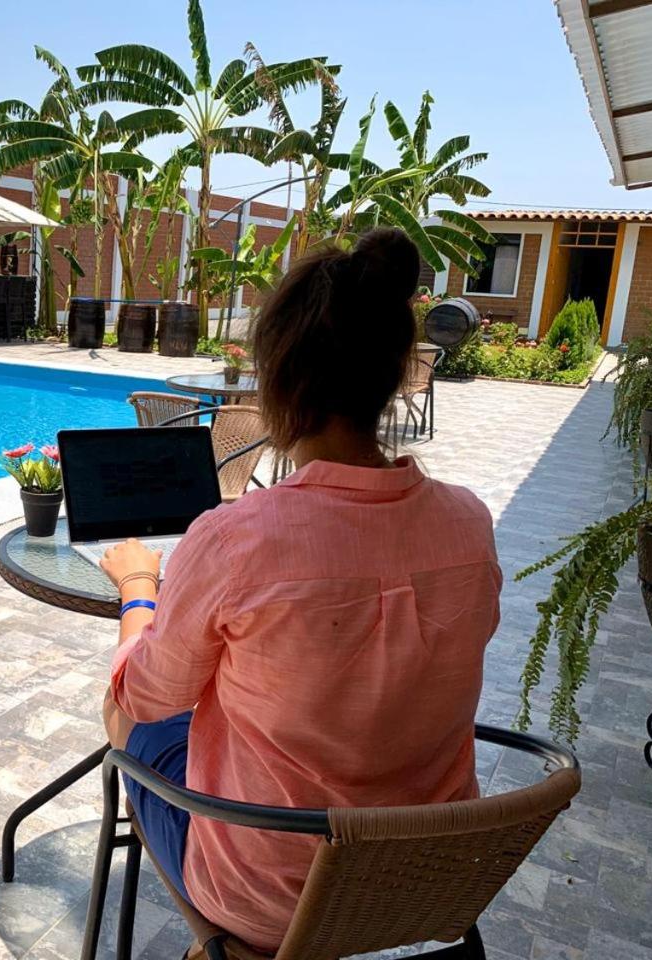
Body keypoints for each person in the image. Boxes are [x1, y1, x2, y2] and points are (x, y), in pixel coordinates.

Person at [99, 228, 502, 951]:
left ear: (277, 382)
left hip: (271, 899)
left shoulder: (235, 539)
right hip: (424, 878)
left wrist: (138, 589)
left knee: (126, 712)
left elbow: (145, 697)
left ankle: (218, 949)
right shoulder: (469, 524)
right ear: (392, 377)